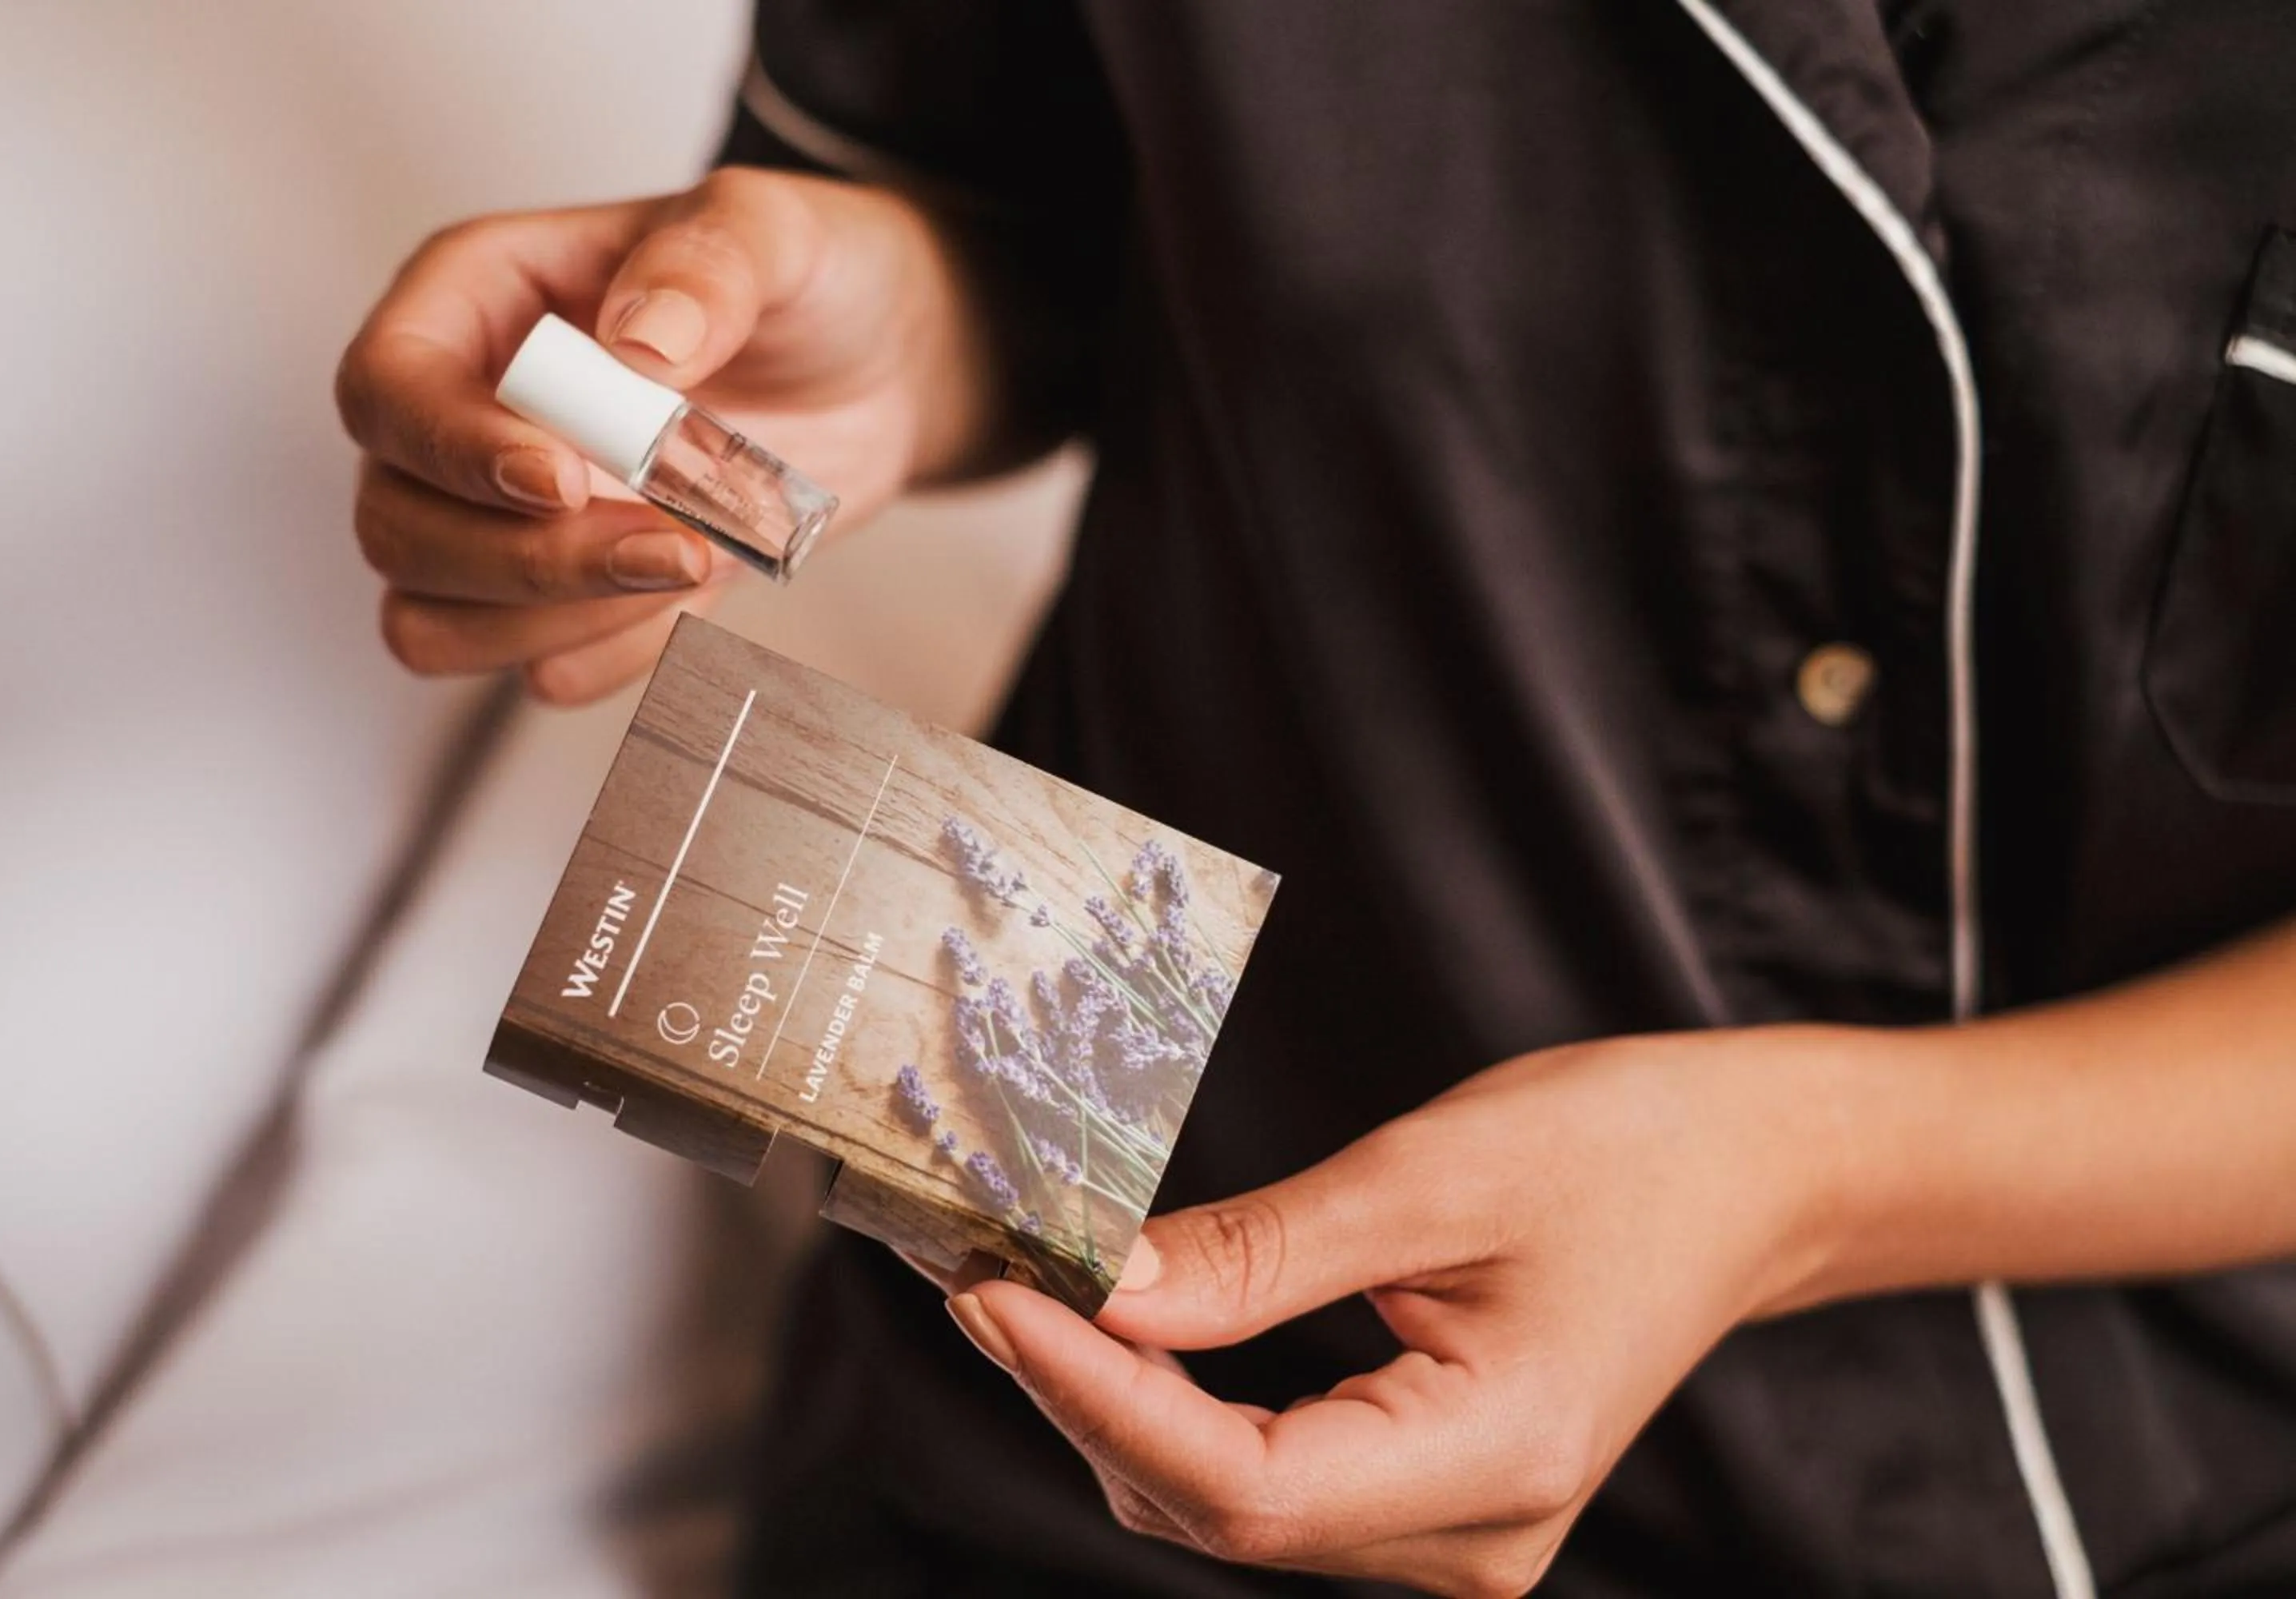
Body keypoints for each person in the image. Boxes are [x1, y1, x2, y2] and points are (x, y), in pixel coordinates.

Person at [333, 4, 2296, 1594]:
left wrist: (1803, 1179)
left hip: (2183, 1467)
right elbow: (1036, 188)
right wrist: (898, 322)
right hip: (1117, 1412)